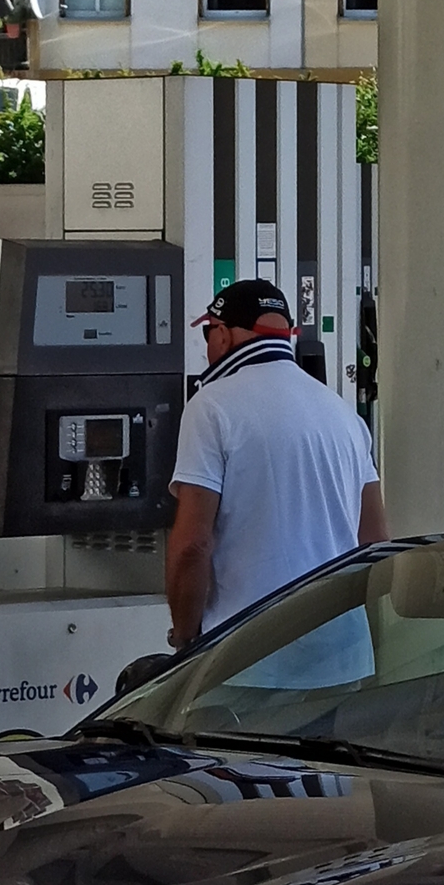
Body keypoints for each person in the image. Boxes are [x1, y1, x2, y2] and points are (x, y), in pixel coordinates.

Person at [166, 278, 386, 650]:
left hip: (248, 658)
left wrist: (185, 639)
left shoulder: (212, 408)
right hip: (342, 651)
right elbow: (375, 543)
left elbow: (193, 545)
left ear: (223, 335)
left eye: (208, 334)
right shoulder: (343, 415)